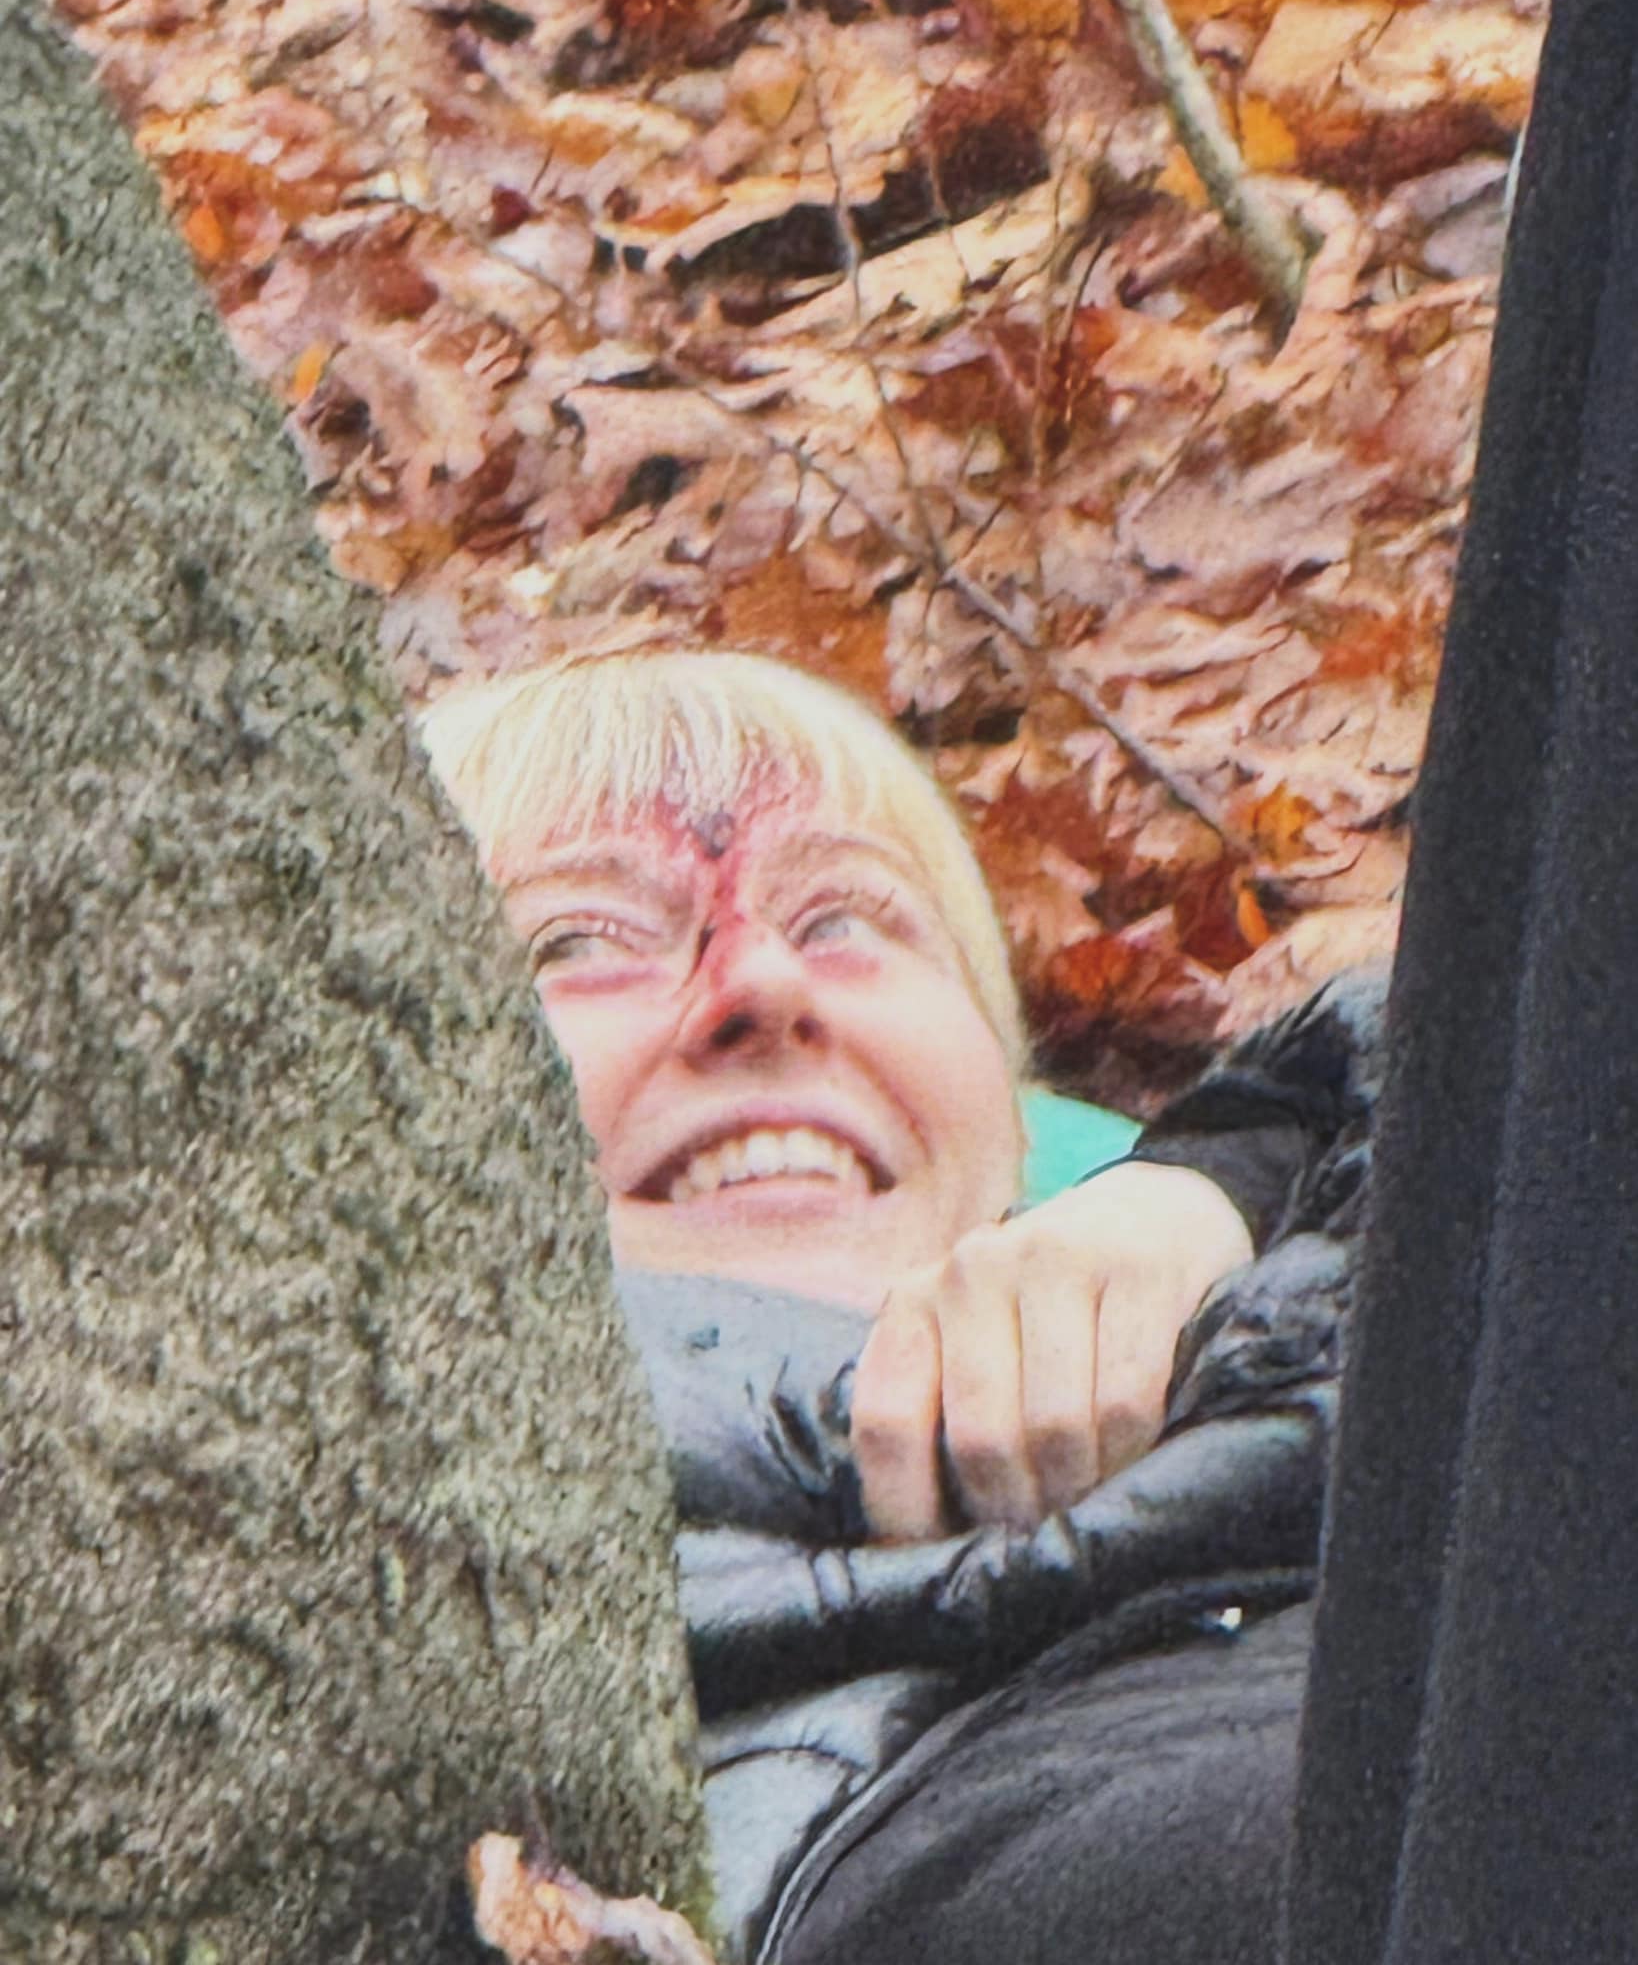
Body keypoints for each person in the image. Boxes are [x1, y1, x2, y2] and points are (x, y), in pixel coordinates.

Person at [422, 646, 1385, 1963]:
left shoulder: (1298, 1299)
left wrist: (1226, 1182)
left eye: (847, 920)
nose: (760, 988)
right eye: (573, 941)